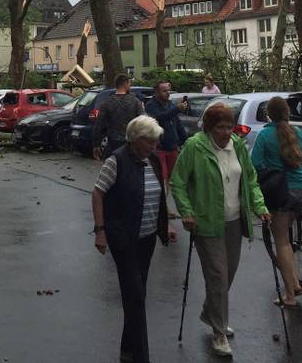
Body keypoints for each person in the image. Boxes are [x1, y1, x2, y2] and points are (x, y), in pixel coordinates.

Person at [170, 104, 270, 357]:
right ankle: (218, 332)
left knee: (229, 274)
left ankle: (210, 312)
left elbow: (249, 178)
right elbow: (178, 182)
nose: (226, 132)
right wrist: (187, 211)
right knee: (218, 276)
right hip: (206, 222)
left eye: (229, 127)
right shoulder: (195, 147)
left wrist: (260, 206)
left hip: (235, 221)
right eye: (220, 128)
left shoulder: (237, 146)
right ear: (209, 127)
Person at [91, 115, 176, 363]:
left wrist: (165, 225)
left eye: (155, 141)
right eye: (149, 141)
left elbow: (159, 196)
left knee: (136, 296)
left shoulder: (153, 161)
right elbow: (97, 193)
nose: (154, 146)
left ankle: (127, 350)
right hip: (123, 237)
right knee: (136, 297)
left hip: (146, 237)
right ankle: (140, 356)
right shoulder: (116, 161)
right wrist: (100, 230)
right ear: (135, 139)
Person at [250, 96, 302, 308]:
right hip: (300, 188)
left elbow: (254, 163)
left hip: (279, 191)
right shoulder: (298, 132)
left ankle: (290, 295)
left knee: (282, 241)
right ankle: (294, 281)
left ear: (268, 114)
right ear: (288, 112)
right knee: (286, 235)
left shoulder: (265, 134)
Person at [93, 74, 145, 160]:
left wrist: (96, 145)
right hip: (131, 144)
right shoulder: (135, 102)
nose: (130, 87)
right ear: (125, 84)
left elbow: (99, 125)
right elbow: (143, 122)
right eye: (129, 84)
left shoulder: (107, 103)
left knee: (114, 169)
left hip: (113, 144)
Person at [144, 80, 188, 184]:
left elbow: (177, 123)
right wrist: (176, 109)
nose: (168, 93)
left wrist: (185, 140)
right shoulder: (151, 105)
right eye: (164, 91)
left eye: (169, 90)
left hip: (173, 148)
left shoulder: (170, 104)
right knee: (162, 180)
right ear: (157, 92)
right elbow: (159, 118)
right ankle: (163, 200)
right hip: (159, 149)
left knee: (173, 181)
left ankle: (166, 198)